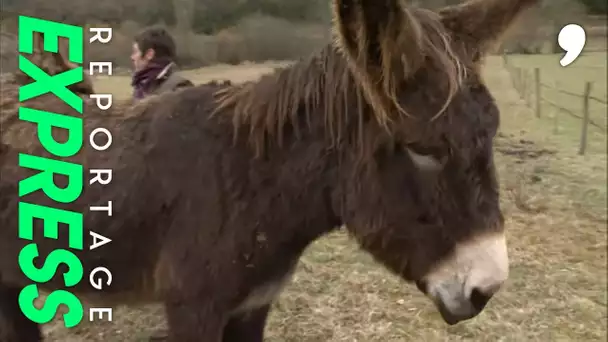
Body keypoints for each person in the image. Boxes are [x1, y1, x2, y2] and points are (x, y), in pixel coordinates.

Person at [130, 27, 193, 100]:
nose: (132, 57)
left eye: (135, 52)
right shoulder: (142, 87)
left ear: (149, 54)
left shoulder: (180, 89)